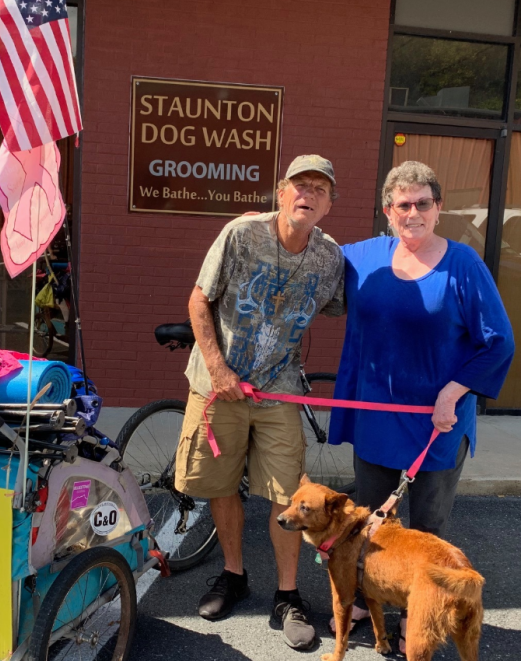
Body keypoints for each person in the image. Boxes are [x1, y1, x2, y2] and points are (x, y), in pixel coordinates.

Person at [328, 161, 515, 651]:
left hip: (438, 421)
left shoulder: (464, 266)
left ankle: (424, 612)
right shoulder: (360, 258)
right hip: (376, 420)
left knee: (428, 531)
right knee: (371, 526)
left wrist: (455, 391)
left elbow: (498, 343)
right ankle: (371, 604)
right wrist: (259, 224)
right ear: (387, 211)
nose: (413, 213)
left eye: (423, 204)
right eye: (402, 205)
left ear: (439, 208)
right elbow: (302, 252)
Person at [176, 155, 345, 650]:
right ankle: (233, 575)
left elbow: (358, 304)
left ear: (329, 203)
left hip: (279, 390)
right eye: (299, 184)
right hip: (219, 384)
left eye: (319, 188)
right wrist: (218, 367)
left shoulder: (329, 258)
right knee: (222, 483)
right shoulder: (241, 234)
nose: (307, 194)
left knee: (287, 492)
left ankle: (288, 595)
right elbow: (198, 299)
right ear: (280, 191)